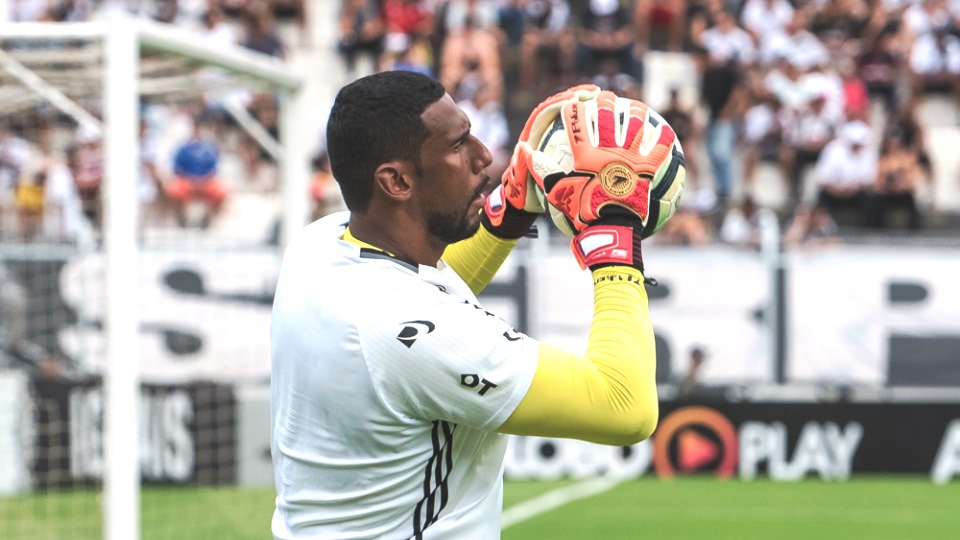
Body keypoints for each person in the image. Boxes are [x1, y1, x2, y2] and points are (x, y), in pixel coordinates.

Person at [271, 72, 660, 537]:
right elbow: (624, 406)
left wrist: (512, 204)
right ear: (396, 180)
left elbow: (428, 280)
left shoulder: (318, 246)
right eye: (458, 146)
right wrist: (615, 238)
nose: (485, 156)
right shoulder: (407, 332)